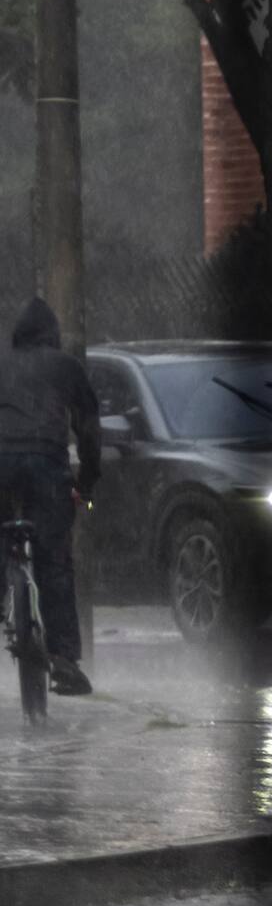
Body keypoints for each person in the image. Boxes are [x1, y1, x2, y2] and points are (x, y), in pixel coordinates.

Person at [0, 297, 100, 695]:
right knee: (54, 561)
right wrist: (87, 483)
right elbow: (89, 431)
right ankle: (63, 660)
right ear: (52, 336)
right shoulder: (67, 368)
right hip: (47, 466)